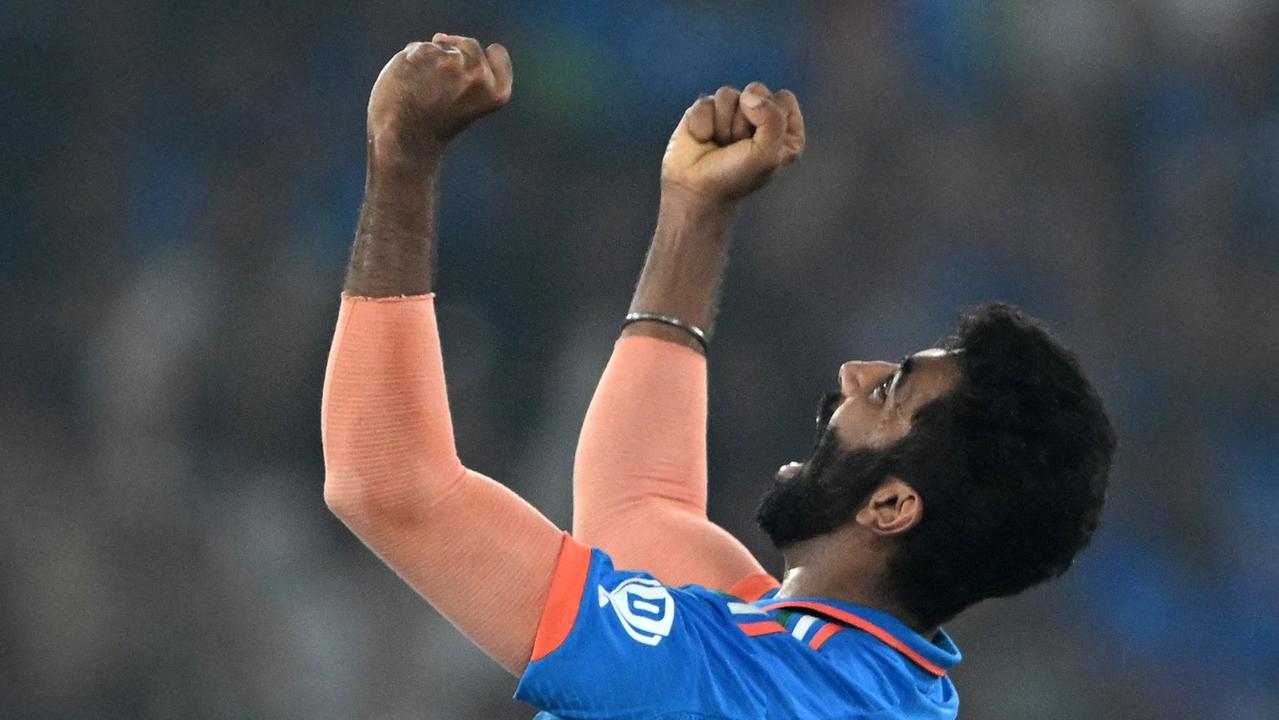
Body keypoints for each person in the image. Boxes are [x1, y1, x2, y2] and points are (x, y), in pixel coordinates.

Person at [322, 34, 1117, 719]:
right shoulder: (854, 675)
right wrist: (694, 215)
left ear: (891, 504)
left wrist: (403, 160)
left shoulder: (737, 688)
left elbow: (388, 484)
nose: (852, 375)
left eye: (888, 393)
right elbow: (638, 515)